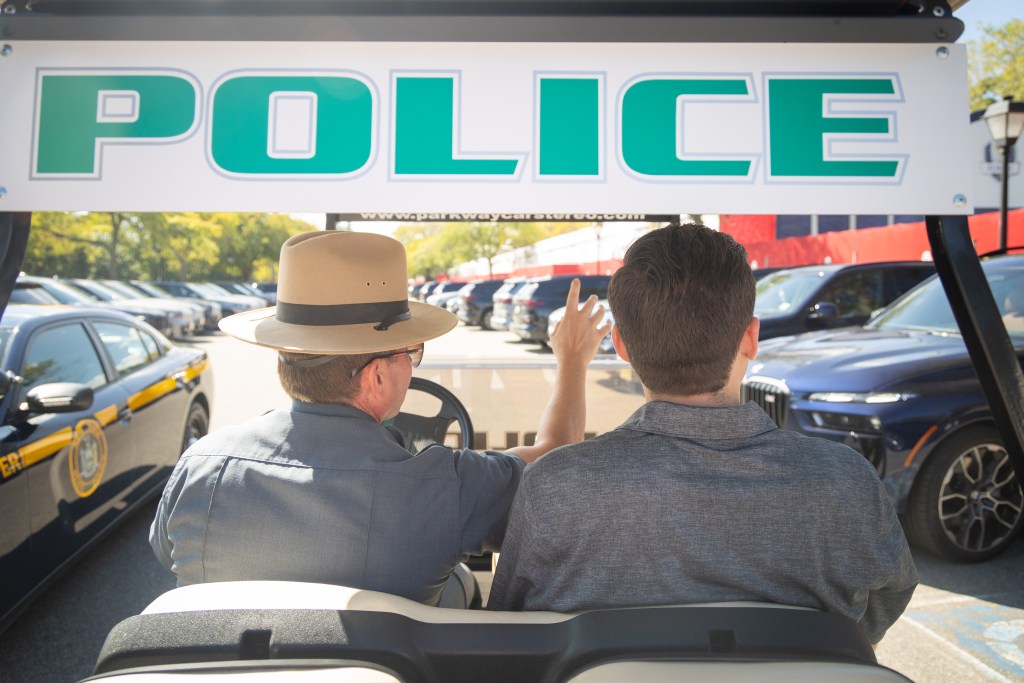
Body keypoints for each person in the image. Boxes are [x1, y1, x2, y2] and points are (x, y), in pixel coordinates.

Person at [487, 223, 918, 644]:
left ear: (621, 345)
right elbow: (880, 606)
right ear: (751, 337)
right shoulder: (846, 481)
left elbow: (512, 628)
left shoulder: (555, 483)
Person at [150, 230, 610, 607]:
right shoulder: (445, 486)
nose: (413, 365)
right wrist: (572, 359)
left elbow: (166, 553)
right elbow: (555, 461)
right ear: (374, 377)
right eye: (411, 351)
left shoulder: (201, 464)